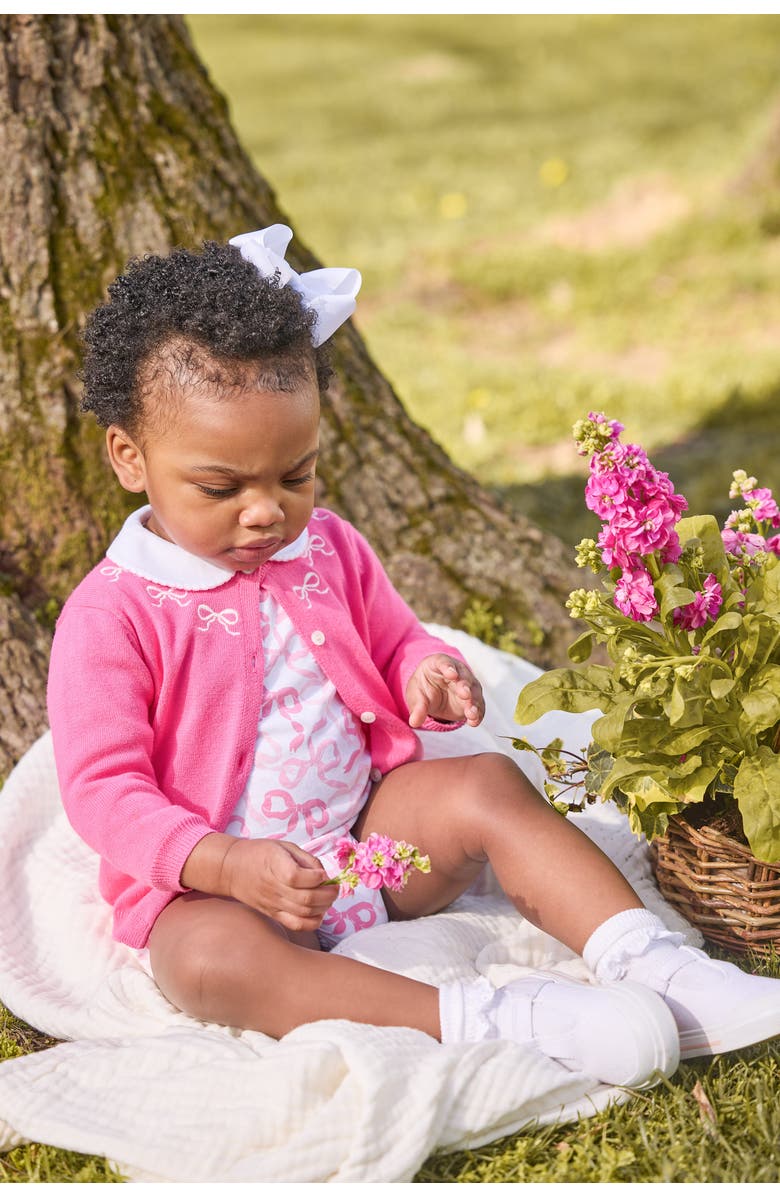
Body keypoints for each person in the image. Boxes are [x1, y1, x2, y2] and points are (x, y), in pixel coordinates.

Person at [47, 226, 780, 1089]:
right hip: (218, 889)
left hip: (368, 844)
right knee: (211, 967)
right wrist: (222, 864)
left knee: (483, 784)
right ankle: (494, 1021)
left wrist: (423, 672)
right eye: (221, 487)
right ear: (130, 458)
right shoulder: (114, 612)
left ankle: (655, 964)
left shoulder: (328, 548)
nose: (265, 512)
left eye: (297, 474)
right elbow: (103, 792)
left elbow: (396, 637)